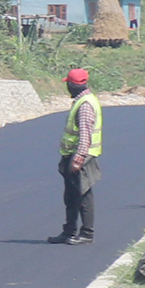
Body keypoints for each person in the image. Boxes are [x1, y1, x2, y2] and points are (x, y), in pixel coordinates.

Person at [51, 66, 102, 244]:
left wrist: (78, 159)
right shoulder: (83, 100)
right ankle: (69, 231)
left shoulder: (85, 105)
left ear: (72, 85)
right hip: (71, 155)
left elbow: (86, 134)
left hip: (81, 156)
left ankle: (86, 234)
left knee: (83, 194)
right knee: (71, 195)